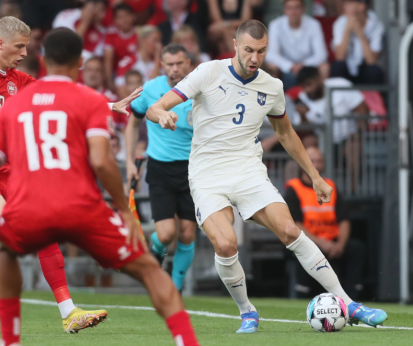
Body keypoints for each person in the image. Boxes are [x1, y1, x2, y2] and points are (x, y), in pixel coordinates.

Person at [0, 27, 200, 346]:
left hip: (33, 207)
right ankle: (186, 340)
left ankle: (10, 339)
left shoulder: (17, 102)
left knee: (4, 248)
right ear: (80, 62)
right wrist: (124, 210)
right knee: (150, 272)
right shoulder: (89, 100)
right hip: (82, 207)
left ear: (44, 59)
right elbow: (101, 162)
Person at [146, 19, 387, 333]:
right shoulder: (208, 72)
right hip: (207, 176)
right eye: (248, 49)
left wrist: (314, 176)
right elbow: (155, 107)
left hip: (248, 171)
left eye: (260, 51)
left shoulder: (272, 86)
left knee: (289, 229)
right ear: (235, 44)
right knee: (226, 243)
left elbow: (286, 134)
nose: (254, 58)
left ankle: (349, 304)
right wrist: (163, 113)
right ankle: (247, 311)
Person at [0, 16, 135, 333]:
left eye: (27, 46)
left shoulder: (18, 80)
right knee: (14, 225)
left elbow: (63, 94)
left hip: (5, 167)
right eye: (20, 46)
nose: (25, 53)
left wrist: (108, 104)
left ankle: (68, 311)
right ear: (0, 43)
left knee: (42, 227)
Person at [125, 43, 196, 292]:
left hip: (193, 170)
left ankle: (173, 289)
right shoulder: (151, 90)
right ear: (162, 65)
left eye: (179, 63)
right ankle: (155, 249)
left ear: (188, 63)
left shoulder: (199, 89)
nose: (175, 69)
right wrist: (130, 161)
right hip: (160, 168)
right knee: (166, 234)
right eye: (169, 64)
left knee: (187, 234)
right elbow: (132, 125)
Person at [285, 147, 365, 300]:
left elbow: (344, 220)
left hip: (332, 241)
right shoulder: (294, 188)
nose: (316, 164)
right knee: (301, 248)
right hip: (309, 241)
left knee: (356, 248)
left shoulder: (330, 186)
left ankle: (352, 296)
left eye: (319, 161)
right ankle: (302, 294)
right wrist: (322, 244)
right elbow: (295, 224)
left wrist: (340, 245)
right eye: (312, 161)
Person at [296, 66, 369, 145]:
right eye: (303, 86)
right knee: (309, 141)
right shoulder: (302, 98)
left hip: (347, 137)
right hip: (322, 140)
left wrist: (358, 133)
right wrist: (302, 116)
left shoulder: (340, 84)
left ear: (319, 79)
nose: (307, 90)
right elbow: (309, 130)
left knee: (354, 143)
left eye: (309, 84)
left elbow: (362, 109)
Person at [265, 0, 329, 90]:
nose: (293, 12)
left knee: (324, 67)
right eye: (290, 8)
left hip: (308, 68)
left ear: (303, 9)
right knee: (272, 67)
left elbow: (322, 54)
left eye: (297, 8)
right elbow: (271, 55)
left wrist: (303, 65)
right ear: (284, 10)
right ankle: (274, 101)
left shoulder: (314, 25)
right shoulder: (275, 25)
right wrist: (291, 66)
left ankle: (321, 101)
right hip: (285, 68)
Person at [331, 0, 384, 84]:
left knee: (374, 71)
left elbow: (372, 61)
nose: (345, 6)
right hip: (347, 66)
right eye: (345, 3)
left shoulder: (376, 25)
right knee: (337, 67)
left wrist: (361, 34)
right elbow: (339, 57)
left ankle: (372, 97)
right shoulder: (340, 23)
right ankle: (338, 97)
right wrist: (347, 30)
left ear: (361, 6)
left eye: (349, 3)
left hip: (364, 67)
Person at [115, 25, 162, 99]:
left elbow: (155, 87)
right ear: (142, 41)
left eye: (159, 41)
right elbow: (121, 91)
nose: (159, 45)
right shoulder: (127, 63)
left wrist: (157, 58)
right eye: (155, 41)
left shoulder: (158, 63)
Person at [104, 3, 138, 92]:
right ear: (115, 20)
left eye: (127, 16)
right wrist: (109, 80)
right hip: (117, 72)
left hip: (135, 71)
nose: (124, 20)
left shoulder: (139, 34)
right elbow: (108, 59)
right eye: (120, 17)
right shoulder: (111, 35)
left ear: (133, 17)